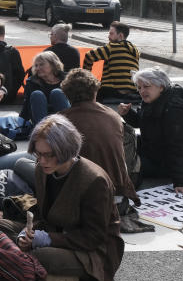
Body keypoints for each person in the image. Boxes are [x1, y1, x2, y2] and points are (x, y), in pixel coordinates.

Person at [0, 115, 124, 281]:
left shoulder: (95, 181)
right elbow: (46, 214)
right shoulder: (42, 169)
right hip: (57, 231)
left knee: (40, 255)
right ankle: (16, 259)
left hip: (92, 252)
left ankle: (14, 266)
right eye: (38, 154)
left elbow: (94, 237)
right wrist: (29, 234)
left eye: (48, 155)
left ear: (66, 150)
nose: (42, 161)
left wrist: (47, 239)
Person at [59, 69, 139, 205]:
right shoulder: (113, 116)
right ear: (95, 92)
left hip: (83, 201)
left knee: (22, 163)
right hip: (118, 196)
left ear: (67, 95)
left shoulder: (61, 121)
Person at [118, 68, 183, 196]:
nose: (142, 91)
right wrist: (128, 114)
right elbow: (142, 122)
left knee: (123, 164)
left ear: (161, 87)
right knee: (118, 141)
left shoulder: (175, 109)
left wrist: (179, 182)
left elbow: (179, 146)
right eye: (139, 88)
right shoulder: (154, 100)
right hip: (153, 151)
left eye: (146, 86)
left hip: (166, 162)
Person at [82, 21, 140, 101]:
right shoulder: (135, 50)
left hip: (111, 91)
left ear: (120, 36)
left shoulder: (111, 47)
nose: (108, 37)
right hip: (133, 91)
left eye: (111, 34)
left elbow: (88, 56)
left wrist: (87, 76)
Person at [20, 51, 70, 126]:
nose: (38, 68)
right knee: (37, 94)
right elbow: (26, 106)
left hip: (64, 117)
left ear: (53, 64)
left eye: (41, 64)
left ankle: (66, 129)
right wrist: (20, 121)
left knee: (57, 92)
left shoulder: (67, 79)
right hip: (41, 119)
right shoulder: (32, 82)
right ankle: (42, 133)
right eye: (36, 65)